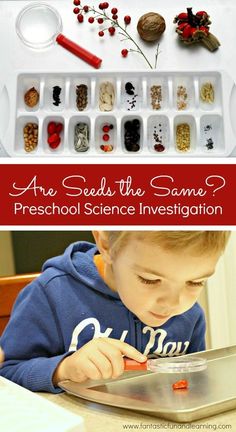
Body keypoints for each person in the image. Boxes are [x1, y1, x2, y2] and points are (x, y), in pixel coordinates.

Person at [0, 231, 230, 393]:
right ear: (107, 244)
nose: (173, 303)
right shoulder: (51, 294)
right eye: (150, 280)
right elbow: (7, 374)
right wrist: (64, 369)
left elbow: (194, 386)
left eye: (195, 282)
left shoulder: (191, 316)